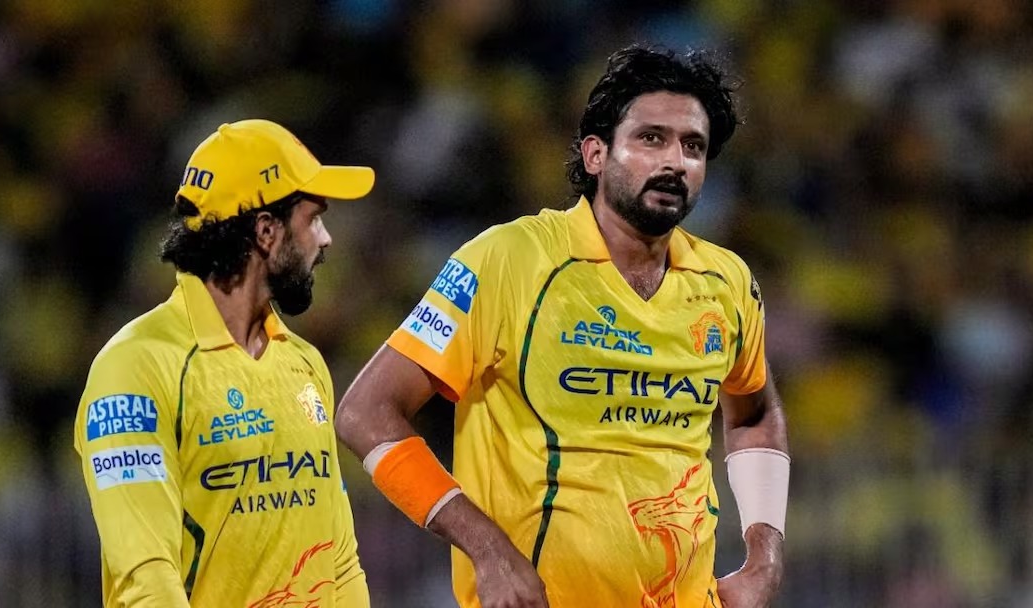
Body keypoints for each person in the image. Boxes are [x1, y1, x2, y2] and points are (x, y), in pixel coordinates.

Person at [336, 44, 790, 608]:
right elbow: (365, 413)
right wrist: (488, 550)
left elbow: (754, 413)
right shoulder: (508, 260)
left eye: (692, 146)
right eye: (651, 139)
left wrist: (764, 556)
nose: (675, 161)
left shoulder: (726, 281)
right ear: (596, 154)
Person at [74, 119, 375, 607]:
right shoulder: (135, 369)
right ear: (266, 231)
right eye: (313, 219)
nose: (326, 240)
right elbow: (146, 576)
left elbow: (340, 562)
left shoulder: (304, 363)